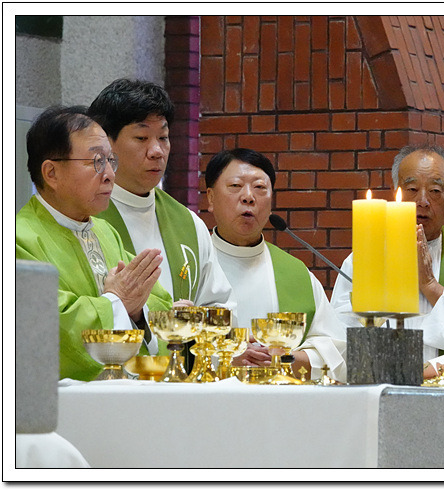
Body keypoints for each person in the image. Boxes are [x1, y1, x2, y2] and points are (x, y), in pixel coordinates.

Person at [16, 106, 173, 381]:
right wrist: (118, 302)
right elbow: (49, 325)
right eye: (97, 161)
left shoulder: (105, 232)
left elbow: (157, 302)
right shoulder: (19, 239)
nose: (110, 174)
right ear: (51, 173)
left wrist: (137, 311)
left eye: (111, 160)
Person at [331, 144, 444, 372]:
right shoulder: (363, 260)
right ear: (395, 193)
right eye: (412, 189)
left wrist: (431, 286)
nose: (422, 201)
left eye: (435, 190)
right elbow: (338, 335)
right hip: (381, 383)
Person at [87, 79, 235, 310]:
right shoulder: (84, 216)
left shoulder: (188, 223)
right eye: (142, 138)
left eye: (163, 138)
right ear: (106, 144)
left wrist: (190, 320)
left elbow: (220, 305)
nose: (157, 151)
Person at [205, 148, 347, 382]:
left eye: (260, 188)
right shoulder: (191, 263)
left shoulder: (295, 274)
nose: (248, 197)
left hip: (280, 401)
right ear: (210, 198)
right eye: (236, 186)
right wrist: (225, 355)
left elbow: (337, 353)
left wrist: (283, 359)